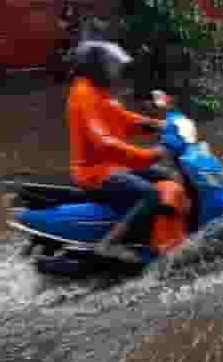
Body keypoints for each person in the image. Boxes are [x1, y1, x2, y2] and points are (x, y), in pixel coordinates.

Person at [67, 41, 168, 263]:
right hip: (94, 172)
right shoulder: (83, 94)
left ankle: (160, 231)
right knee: (150, 193)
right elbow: (105, 143)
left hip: (111, 166)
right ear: (94, 67)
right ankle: (108, 244)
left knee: (165, 176)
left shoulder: (99, 92)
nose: (114, 72)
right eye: (108, 66)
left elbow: (123, 119)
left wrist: (159, 125)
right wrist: (149, 154)